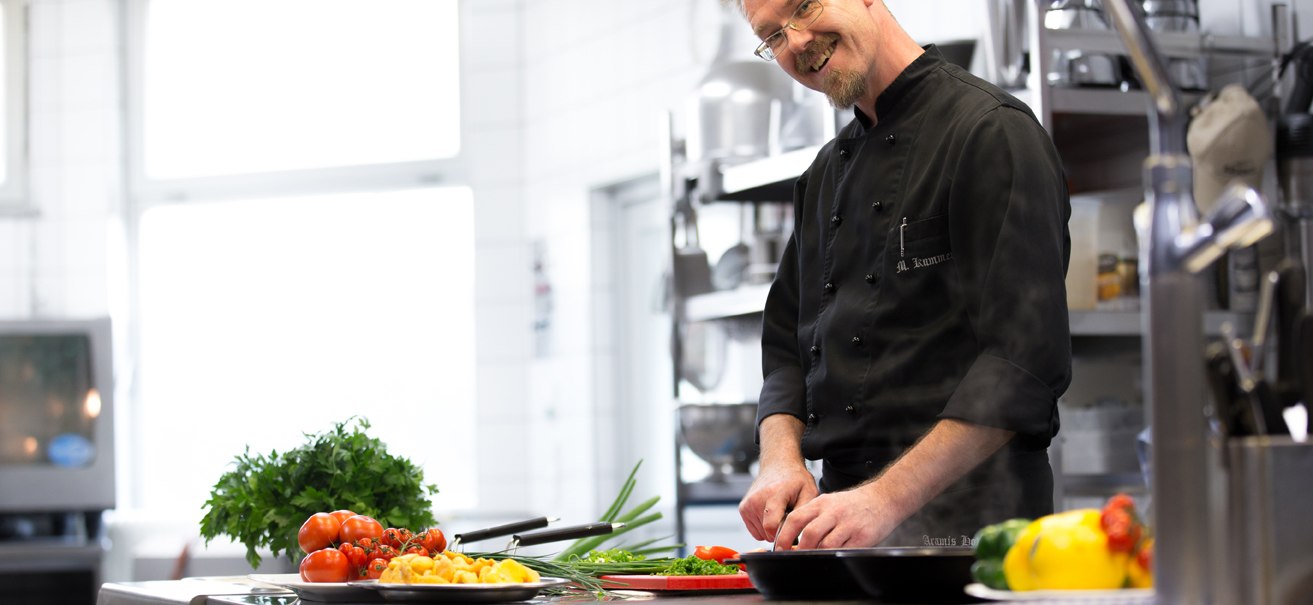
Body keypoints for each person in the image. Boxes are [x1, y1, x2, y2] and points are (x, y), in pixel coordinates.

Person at [728, 0, 1073, 549]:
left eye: (804, 6)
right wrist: (779, 459)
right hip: (838, 531)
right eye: (770, 36)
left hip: (974, 535)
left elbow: (1022, 362)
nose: (793, 42)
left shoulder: (991, 133)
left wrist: (885, 498)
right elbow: (788, 353)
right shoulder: (822, 176)